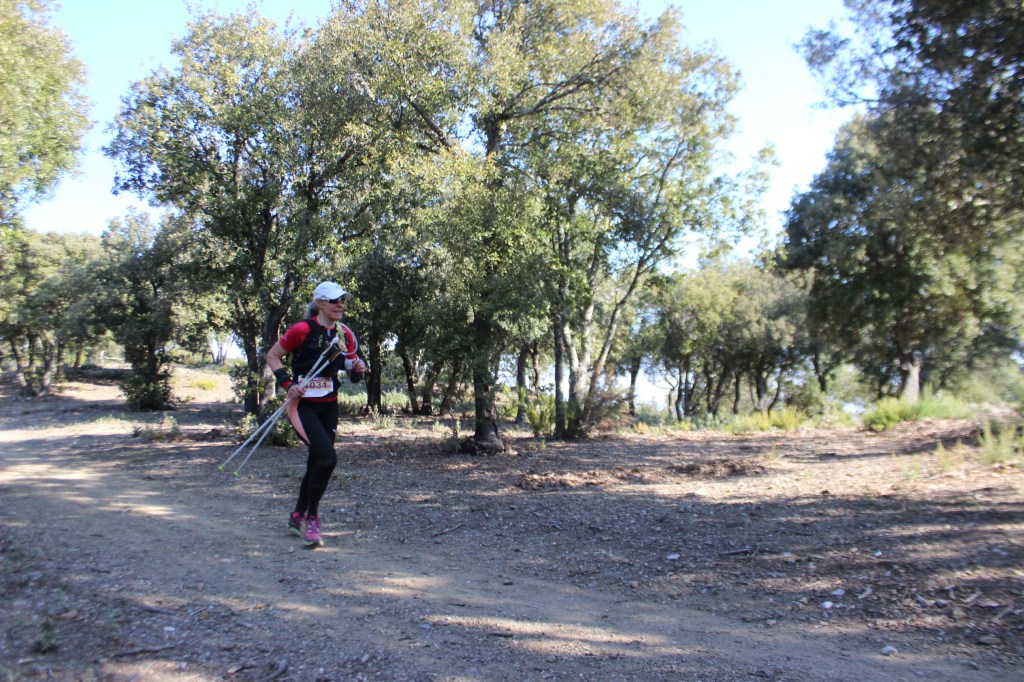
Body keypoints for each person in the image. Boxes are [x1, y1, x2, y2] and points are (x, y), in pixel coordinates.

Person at [265, 281, 366, 548]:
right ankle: (312, 519)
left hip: (329, 407)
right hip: (303, 407)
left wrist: (357, 369)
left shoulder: (345, 334)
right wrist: (288, 384)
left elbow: (349, 371)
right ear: (320, 303)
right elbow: (272, 356)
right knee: (328, 458)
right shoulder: (302, 329)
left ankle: (297, 515)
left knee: (316, 462)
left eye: (342, 300)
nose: (340, 305)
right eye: (334, 300)